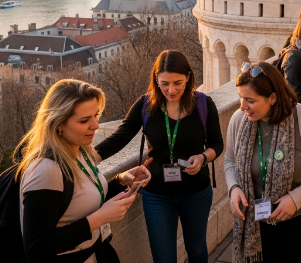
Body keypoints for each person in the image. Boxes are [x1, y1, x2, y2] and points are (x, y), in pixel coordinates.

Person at [95, 51, 223, 263]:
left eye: (178, 83)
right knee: (163, 258)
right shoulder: (146, 105)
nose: (171, 90)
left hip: (196, 192)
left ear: (189, 77)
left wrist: (202, 157)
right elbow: (120, 137)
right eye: (164, 83)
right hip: (157, 194)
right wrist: (85, 158)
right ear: (156, 79)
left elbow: (217, 144)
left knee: (197, 251)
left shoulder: (203, 104)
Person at [19, 79, 152, 263]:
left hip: (97, 252)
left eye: (96, 115)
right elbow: (37, 247)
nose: (96, 125)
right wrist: (99, 218)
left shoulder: (81, 149)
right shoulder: (45, 170)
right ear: (58, 123)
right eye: (84, 120)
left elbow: (85, 197)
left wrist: (122, 181)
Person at [225, 62, 301, 263]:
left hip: (294, 226)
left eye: (250, 100)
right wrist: (233, 188)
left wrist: (295, 198)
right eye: (241, 98)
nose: (242, 106)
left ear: (273, 98)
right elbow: (230, 160)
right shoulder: (238, 120)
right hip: (252, 225)